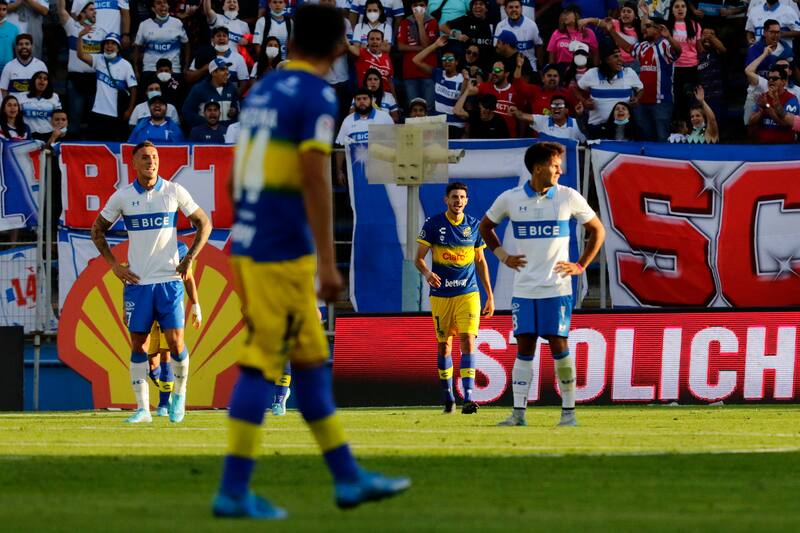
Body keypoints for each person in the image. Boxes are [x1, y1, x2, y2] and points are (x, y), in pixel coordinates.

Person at [214, 5, 410, 519]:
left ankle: (347, 478)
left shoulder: (263, 89)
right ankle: (233, 489)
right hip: (282, 247)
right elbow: (316, 177)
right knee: (263, 361)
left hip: (255, 239)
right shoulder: (316, 95)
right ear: (338, 47)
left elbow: (236, 175)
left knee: (306, 363)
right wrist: (328, 261)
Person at [478, 141, 605, 427]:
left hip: (556, 288)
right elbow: (485, 226)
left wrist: (581, 265)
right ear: (538, 168)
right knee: (524, 347)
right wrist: (502, 255)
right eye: (555, 164)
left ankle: (569, 414)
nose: (560, 170)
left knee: (559, 345)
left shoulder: (568, 197)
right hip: (524, 289)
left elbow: (597, 230)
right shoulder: (510, 199)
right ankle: (518, 414)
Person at [90, 141, 211, 424]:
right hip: (138, 283)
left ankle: (179, 395)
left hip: (168, 280)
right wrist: (113, 266)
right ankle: (143, 409)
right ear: (133, 163)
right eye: (145, 157)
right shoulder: (122, 197)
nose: (151, 162)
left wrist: (190, 257)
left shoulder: (173, 191)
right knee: (138, 344)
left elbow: (204, 223)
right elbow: (97, 230)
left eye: (155, 157)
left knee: (175, 342)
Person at [415, 182, 494, 414]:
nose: (458, 201)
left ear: (466, 201)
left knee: (468, 340)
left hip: (468, 292)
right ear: (446, 200)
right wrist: (428, 274)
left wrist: (490, 295)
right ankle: (448, 396)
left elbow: (480, 261)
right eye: (454, 197)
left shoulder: (474, 226)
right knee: (444, 346)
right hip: (441, 295)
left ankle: (468, 397)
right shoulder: (433, 224)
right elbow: (418, 258)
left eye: (462, 197)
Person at [145, 240, 201, 417]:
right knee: (151, 361)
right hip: (148, 307)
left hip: (168, 305)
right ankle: (166, 394)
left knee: (166, 353)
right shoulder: (144, 245)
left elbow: (188, 277)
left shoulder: (180, 248)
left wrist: (196, 305)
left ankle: (164, 404)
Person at [603, 17, 679, 141]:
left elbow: (678, 52)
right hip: (642, 102)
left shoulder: (665, 44)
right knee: (645, 139)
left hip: (661, 103)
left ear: (659, 29)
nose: (644, 29)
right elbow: (627, 48)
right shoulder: (642, 46)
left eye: (648, 26)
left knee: (662, 139)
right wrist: (612, 31)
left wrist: (669, 37)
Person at [77, 30, 137, 141]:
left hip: (116, 113)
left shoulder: (125, 65)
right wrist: (80, 37)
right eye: (107, 43)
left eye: (113, 44)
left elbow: (133, 88)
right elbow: (80, 55)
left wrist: (130, 109)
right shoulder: (99, 59)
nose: (109, 46)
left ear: (118, 48)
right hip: (98, 112)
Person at [576, 45, 642, 138]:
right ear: (606, 60)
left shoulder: (629, 73)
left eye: (620, 56)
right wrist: (584, 102)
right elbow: (575, 88)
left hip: (622, 127)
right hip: (597, 127)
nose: (620, 60)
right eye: (616, 56)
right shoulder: (592, 73)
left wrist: (637, 98)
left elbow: (640, 89)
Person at [335, 87, 393, 185]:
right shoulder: (347, 121)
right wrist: (339, 171)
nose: (361, 101)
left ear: (372, 100)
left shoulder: (384, 117)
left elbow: (394, 143)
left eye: (365, 98)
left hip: (382, 174)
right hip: (356, 175)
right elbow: (340, 147)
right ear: (355, 101)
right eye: (358, 99)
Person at [412, 36, 466, 136]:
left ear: (457, 62)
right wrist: (435, 45)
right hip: (439, 125)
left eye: (450, 59)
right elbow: (416, 60)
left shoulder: (463, 79)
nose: (447, 61)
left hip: (455, 126)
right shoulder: (438, 73)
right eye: (444, 59)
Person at [133, 0, 189, 82]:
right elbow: (137, 48)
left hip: (174, 70)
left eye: (165, 2)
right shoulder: (144, 25)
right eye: (158, 3)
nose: (163, 5)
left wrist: (186, 67)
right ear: (153, 8)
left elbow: (187, 45)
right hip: (150, 70)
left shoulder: (177, 23)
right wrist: (136, 70)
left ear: (168, 6)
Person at [396, 0, 437, 111]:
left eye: (421, 5)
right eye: (415, 5)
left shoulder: (432, 22)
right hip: (410, 73)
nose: (418, 8)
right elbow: (401, 46)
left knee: (428, 109)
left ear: (426, 6)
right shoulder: (405, 22)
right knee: (412, 109)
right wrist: (424, 49)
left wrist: (419, 23)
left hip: (427, 73)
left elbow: (426, 43)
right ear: (411, 7)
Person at [182, 57, 240, 129]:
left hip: (227, 132)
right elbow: (187, 111)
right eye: (222, 69)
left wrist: (234, 110)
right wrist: (205, 124)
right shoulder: (199, 89)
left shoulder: (231, 87)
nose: (227, 72)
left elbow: (236, 107)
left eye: (227, 69)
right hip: (206, 133)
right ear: (213, 73)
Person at [748, 65, 799, 143]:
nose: (771, 80)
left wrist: (767, 106)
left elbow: (784, 122)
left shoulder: (791, 99)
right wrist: (761, 112)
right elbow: (751, 121)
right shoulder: (763, 96)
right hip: (762, 145)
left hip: (784, 146)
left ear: (783, 82)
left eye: (775, 78)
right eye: (769, 78)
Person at [494, 0, 543, 74]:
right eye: (510, 7)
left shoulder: (531, 25)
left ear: (521, 8)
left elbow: (539, 45)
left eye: (517, 7)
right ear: (505, 9)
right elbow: (497, 49)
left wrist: (540, 67)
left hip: (530, 69)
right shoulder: (500, 26)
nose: (514, 10)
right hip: (508, 70)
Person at [510, 95, 586, 141]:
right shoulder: (542, 121)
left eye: (560, 106)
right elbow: (521, 116)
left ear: (566, 110)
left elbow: (585, 142)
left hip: (569, 166)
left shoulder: (576, 124)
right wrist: (515, 111)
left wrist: (581, 115)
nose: (556, 109)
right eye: (554, 106)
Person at [547, 5, 599, 69]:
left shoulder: (589, 33)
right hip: (562, 69)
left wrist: (595, 70)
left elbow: (595, 53)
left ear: (576, 15)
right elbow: (551, 57)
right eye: (564, 14)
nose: (564, 16)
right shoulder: (557, 33)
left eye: (568, 14)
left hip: (583, 69)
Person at [18, 70, 60, 142]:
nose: (42, 80)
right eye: (39, 78)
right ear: (34, 81)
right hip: (27, 136)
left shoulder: (54, 97)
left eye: (45, 79)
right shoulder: (22, 96)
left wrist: (58, 134)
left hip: (49, 135)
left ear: (48, 83)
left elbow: (60, 117)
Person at [0, 33, 47, 97]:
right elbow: (3, 90)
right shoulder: (9, 66)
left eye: (27, 44)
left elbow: (46, 88)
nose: (24, 46)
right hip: (15, 106)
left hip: (35, 106)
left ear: (32, 46)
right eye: (20, 44)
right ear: (16, 47)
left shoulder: (41, 65)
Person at [0, 1, 19, 75]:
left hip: (8, 68)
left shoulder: (14, 29)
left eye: (4, 9)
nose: (1, 12)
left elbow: (17, 51)